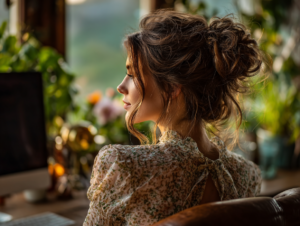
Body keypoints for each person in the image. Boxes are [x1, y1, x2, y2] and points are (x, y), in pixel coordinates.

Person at [83, 9, 264, 226]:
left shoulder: (121, 166)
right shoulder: (248, 176)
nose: (121, 86)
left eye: (132, 74)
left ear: (171, 87)